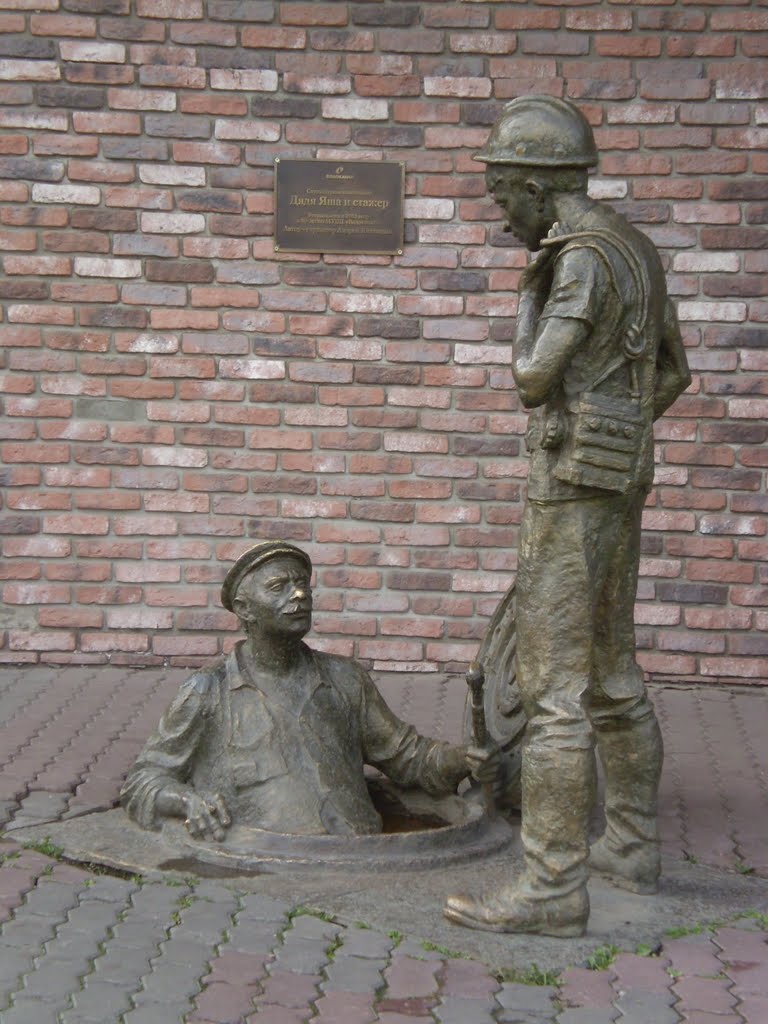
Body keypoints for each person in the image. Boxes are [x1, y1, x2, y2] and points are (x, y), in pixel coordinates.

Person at [444, 96, 691, 937]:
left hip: (569, 489)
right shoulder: (639, 249)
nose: (500, 212)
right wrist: (619, 427)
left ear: (537, 184)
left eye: (503, 194)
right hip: (620, 480)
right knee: (614, 669)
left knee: (554, 691)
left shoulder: (578, 257)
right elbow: (673, 374)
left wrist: (527, 302)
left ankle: (551, 888)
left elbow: (531, 377)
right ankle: (632, 846)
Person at [122, 540, 496, 840]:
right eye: (278, 587)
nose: (299, 594)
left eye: (303, 584)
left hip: (361, 854)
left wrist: (465, 759)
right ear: (244, 608)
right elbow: (143, 780)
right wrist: (188, 800)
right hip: (263, 867)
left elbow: (410, 758)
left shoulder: (346, 679)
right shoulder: (208, 691)